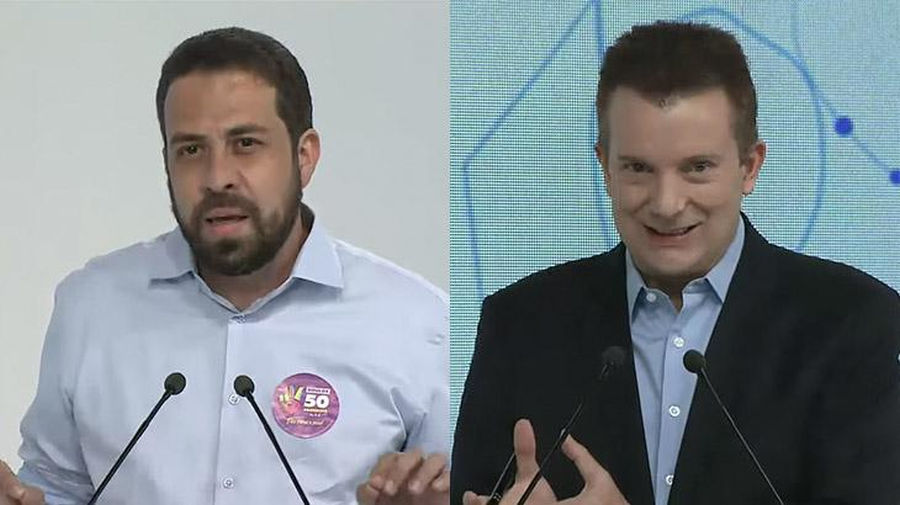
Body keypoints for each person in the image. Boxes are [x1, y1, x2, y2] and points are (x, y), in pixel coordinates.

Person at [452, 21, 900, 505]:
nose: (667, 204)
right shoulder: (520, 324)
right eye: (638, 168)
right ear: (605, 168)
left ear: (750, 167)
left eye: (697, 168)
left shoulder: (855, 323)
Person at [0, 27, 449, 505]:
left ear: (304, 156)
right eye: (191, 150)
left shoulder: (421, 323)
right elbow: (58, 487)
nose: (217, 178)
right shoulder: (91, 305)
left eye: (245, 144)